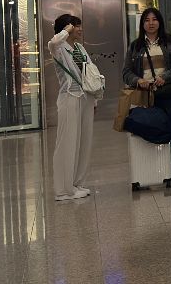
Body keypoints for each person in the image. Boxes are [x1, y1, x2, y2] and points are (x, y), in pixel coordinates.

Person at [124, 8, 171, 185]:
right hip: (145, 96)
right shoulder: (135, 46)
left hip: (168, 94)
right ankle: (152, 170)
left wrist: (164, 77)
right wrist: (138, 80)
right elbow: (126, 72)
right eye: (147, 20)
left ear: (160, 22)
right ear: (142, 24)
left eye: (154, 19)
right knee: (149, 128)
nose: (151, 23)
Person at [47, 14, 99, 201]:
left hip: (85, 98)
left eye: (78, 25)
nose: (79, 29)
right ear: (67, 27)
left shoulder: (79, 48)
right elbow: (52, 42)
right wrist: (65, 31)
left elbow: (89, 72)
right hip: (69, 98)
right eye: (76, 26)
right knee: (67, 142)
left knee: (83, 141)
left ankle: (76, 183)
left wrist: (94, 100)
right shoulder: (58, 47)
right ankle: (64, 189)